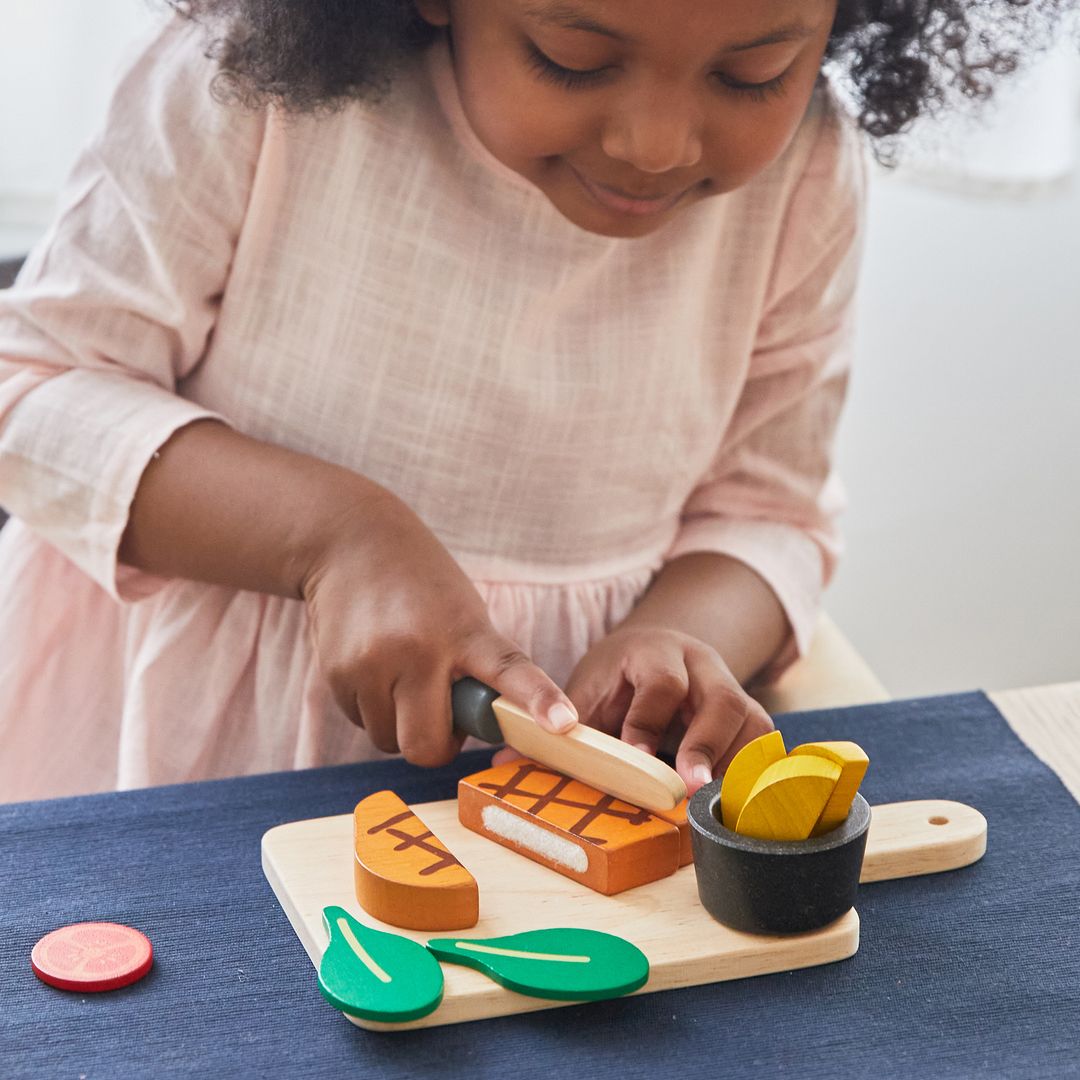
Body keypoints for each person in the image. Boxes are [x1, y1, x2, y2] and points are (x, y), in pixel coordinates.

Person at [0, 0, 1057, 803]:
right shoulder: (244, 91)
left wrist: (684, 634)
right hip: (188, 768)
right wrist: (332, 540)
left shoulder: (805, 177)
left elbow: (768, 516)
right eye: (573, 59)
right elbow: (35, 391)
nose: (657, 142)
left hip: (567, 790)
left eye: (752, 74)